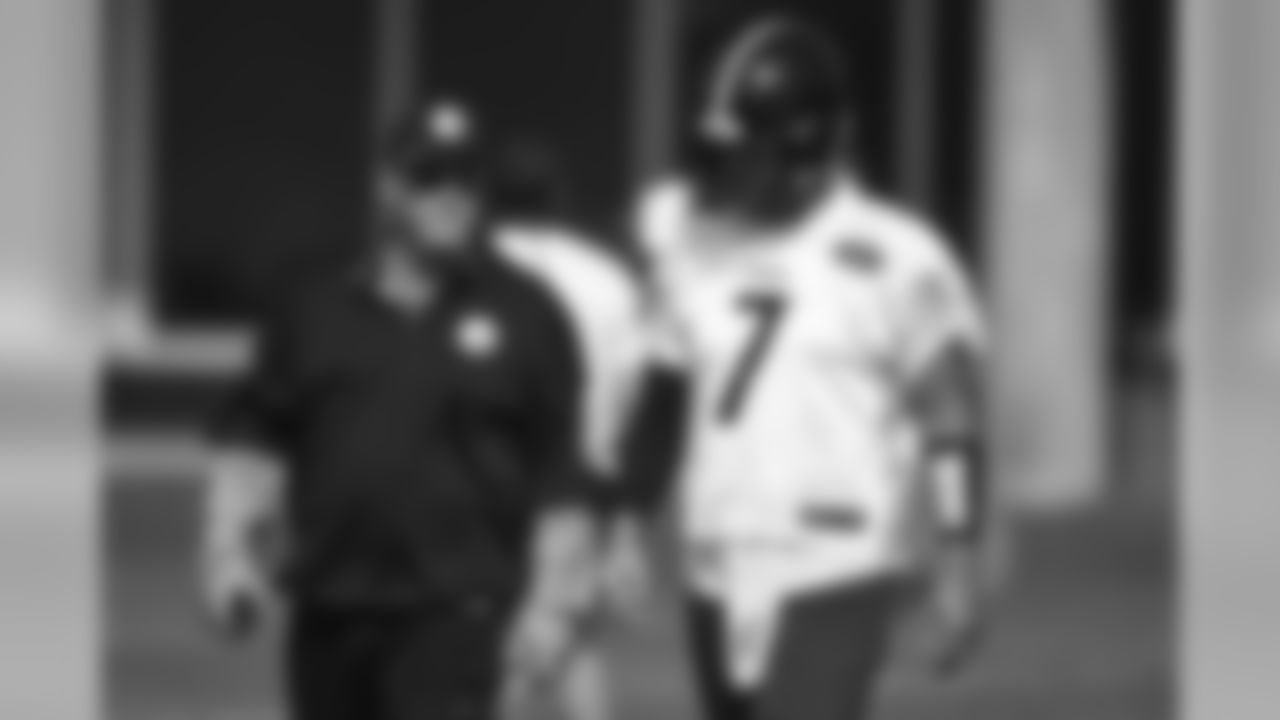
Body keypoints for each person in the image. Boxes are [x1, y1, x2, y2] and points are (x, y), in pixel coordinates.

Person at [608, 15, 1004, 720]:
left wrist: (959, 552)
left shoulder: (894, 256)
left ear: (808, 145)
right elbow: (665, 396)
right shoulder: (692, 244)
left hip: (837, 563)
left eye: (748, 150)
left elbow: (949, 411)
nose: (731, 169)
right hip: (716, 561)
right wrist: (625, 519)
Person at [198, 99, 595, 720]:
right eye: (429, 176)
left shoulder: (528, 312)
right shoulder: (313, 306)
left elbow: (561, 478)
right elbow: (256, 438)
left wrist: (551, 608)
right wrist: (228, 554)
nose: (452, 195)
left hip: (462, 621)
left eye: (467, 178)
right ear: (386, 186)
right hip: (329, 622)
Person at [489, 138, 648, 720]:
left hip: (493, 484)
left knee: (499, 651)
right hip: (586, 486)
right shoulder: (605, 276)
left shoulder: (475, 270)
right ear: (558, 197)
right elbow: (635, 395)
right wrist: (624, 514)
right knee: (577, 644)